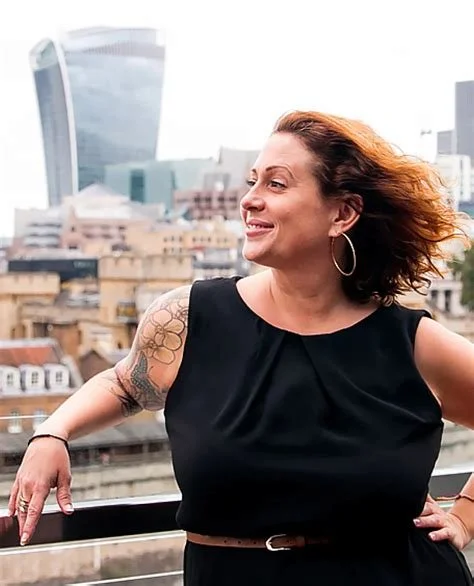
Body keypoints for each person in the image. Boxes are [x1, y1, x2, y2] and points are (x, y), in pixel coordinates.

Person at [8, 110, 474, 585]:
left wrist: (465, 516)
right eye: (253, 181)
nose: (249, 200)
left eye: (276, 184)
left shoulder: (411, 343)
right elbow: (126, 384)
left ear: (342, 214)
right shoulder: (189, 317)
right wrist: (53, 433)